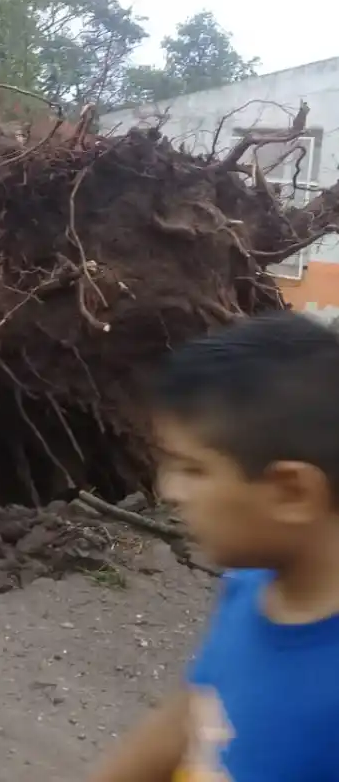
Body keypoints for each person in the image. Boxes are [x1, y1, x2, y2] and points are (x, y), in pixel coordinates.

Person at [89, 311, 339, 782]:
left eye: (194, 469)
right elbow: (193, 711)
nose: (169, 490)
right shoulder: (250, 587)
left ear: (293, 493)